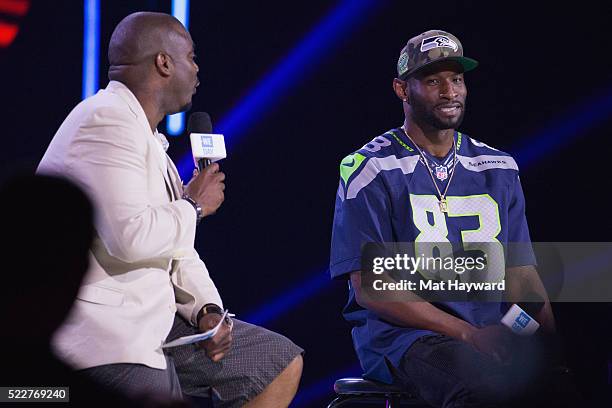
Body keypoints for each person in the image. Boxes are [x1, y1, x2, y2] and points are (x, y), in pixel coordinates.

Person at [37, 12, 302, 408]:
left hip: (153, 322)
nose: (196, 69)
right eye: (191, 57)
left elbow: (178, 248)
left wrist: (207, 310)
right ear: (163, 62)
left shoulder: (146, 135)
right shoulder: (105, 120)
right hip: (104, 335)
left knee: (275, 362)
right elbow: (131, 237)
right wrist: (193, 205)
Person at [330, 30, 579, 407]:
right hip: (408, 338)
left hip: (491, 333)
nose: (450, 92)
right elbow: (372, 286)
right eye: (434, 81)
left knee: (561, 390)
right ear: (402, 89)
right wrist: (467, 334)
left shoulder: (498, 166)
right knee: (480, 388)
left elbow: (522, 275)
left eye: (457, 79)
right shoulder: (370, 168)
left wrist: (552, 352)